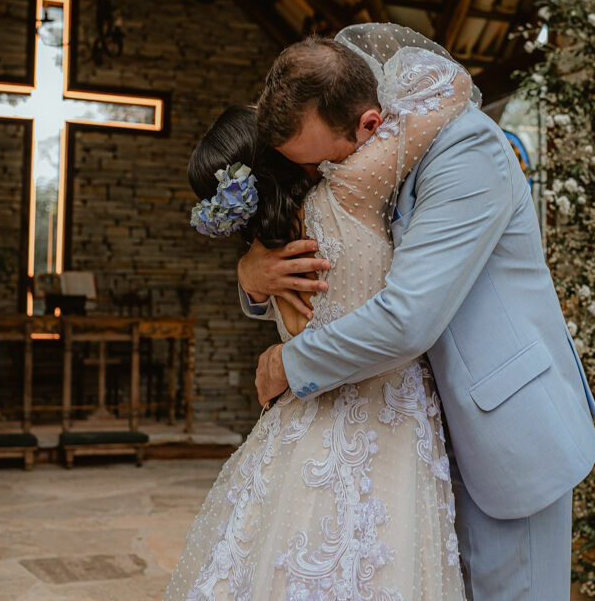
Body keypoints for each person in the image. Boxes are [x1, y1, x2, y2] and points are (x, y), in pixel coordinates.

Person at [240, 23, 595, 600]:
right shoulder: (379, 161)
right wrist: (255, 280)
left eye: (318, 165)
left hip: (497, 426)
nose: (314, 185)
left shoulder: (467, 152)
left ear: (368, 124)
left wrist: (290, 362)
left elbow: (407, 318)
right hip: (416, 440)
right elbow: (345, 279)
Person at [165, 35, 475, 600]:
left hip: (302, 429)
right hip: (387, 418)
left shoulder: (274, 239)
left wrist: (246, 269)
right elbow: (453, 87)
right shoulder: (351, 188)